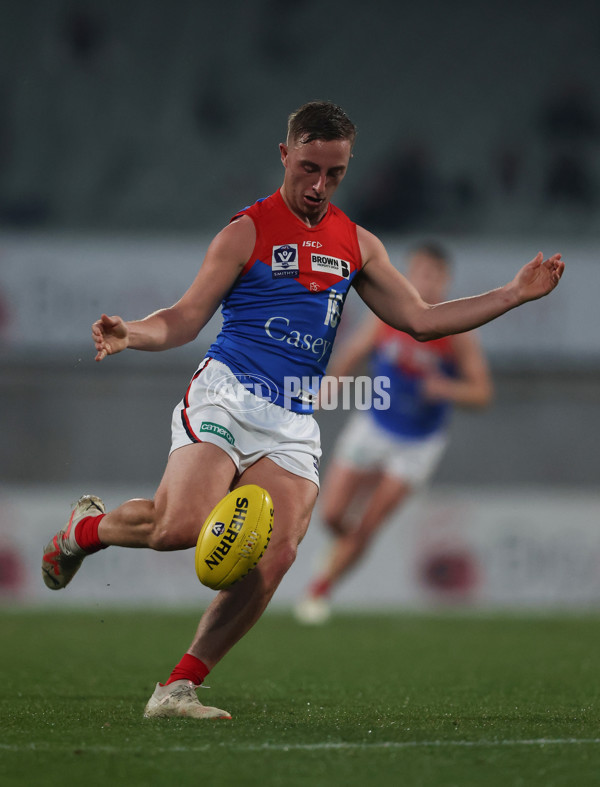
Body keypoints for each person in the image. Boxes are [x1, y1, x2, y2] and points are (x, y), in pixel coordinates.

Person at [41, 101, 564, 720]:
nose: (319, 186)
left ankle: (176, 688)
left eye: (334, 174)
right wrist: (134, 332)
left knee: (277, 556)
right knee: (178, 529)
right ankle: (81, 532)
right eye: (309, 168)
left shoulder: (356, 244)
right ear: (285, 155)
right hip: (228, 394)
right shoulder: (247, 231)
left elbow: (422, 320)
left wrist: (514, 294)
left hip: (290, 420)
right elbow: (185, 318)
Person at [295, 242, 493, 624]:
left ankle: (321, 588)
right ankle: (341, 547)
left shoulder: (458, 332)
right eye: (418, 272)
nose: (424, 281)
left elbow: (482, 394)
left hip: (418, 443)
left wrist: (447, 389)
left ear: (446, 280)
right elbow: (351, 355)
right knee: (332, 516)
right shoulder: (389, 318)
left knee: (368, 523)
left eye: (433, 274)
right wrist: (325, 392)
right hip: (374, 426)